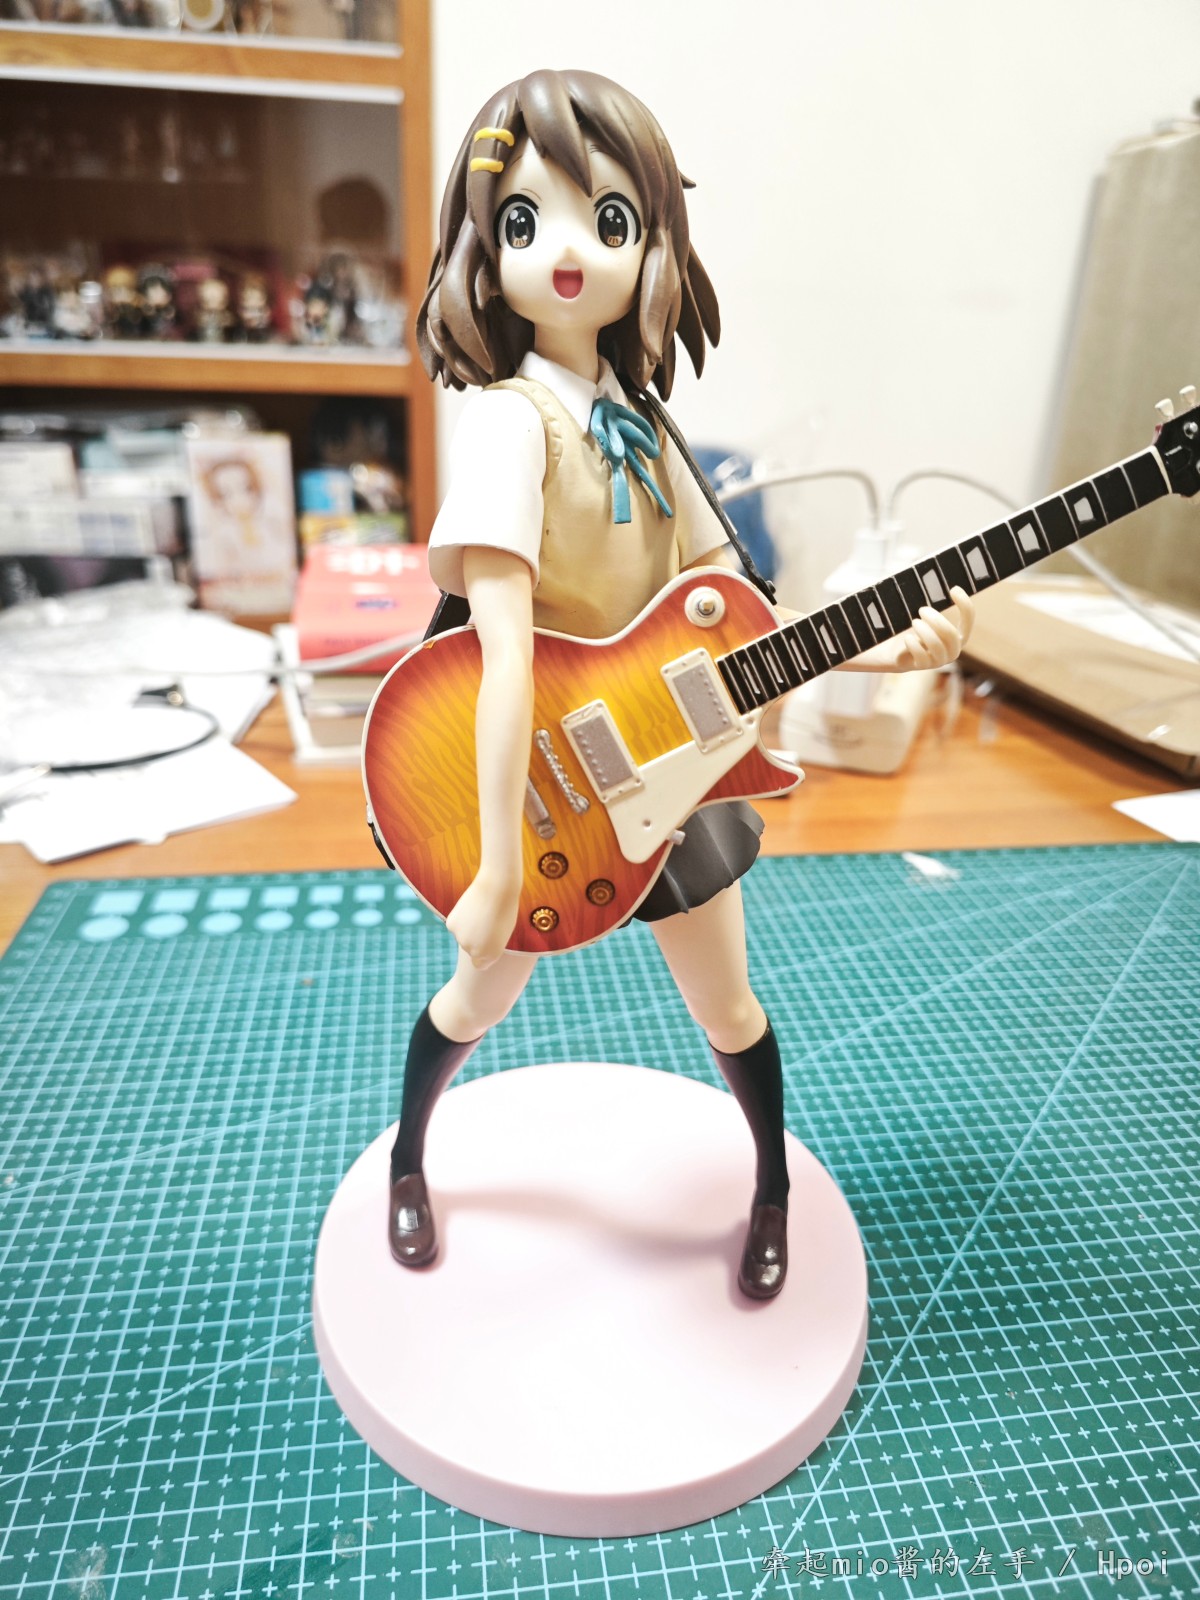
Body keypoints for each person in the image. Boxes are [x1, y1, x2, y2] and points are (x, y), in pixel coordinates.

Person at [386, 68, 974, 1298]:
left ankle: (770, 1189)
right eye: (524, 220)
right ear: (483, 248)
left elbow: (739, 611)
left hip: (672, 766)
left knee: (731, 1006)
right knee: (475, 996)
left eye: (608, 220)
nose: (567, 252)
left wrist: (885, 642)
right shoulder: (509, 426)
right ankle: (409, 1158)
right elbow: (501, 659)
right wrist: (492, 864)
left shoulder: (650, 430)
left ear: (652, 244)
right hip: (541, 792)